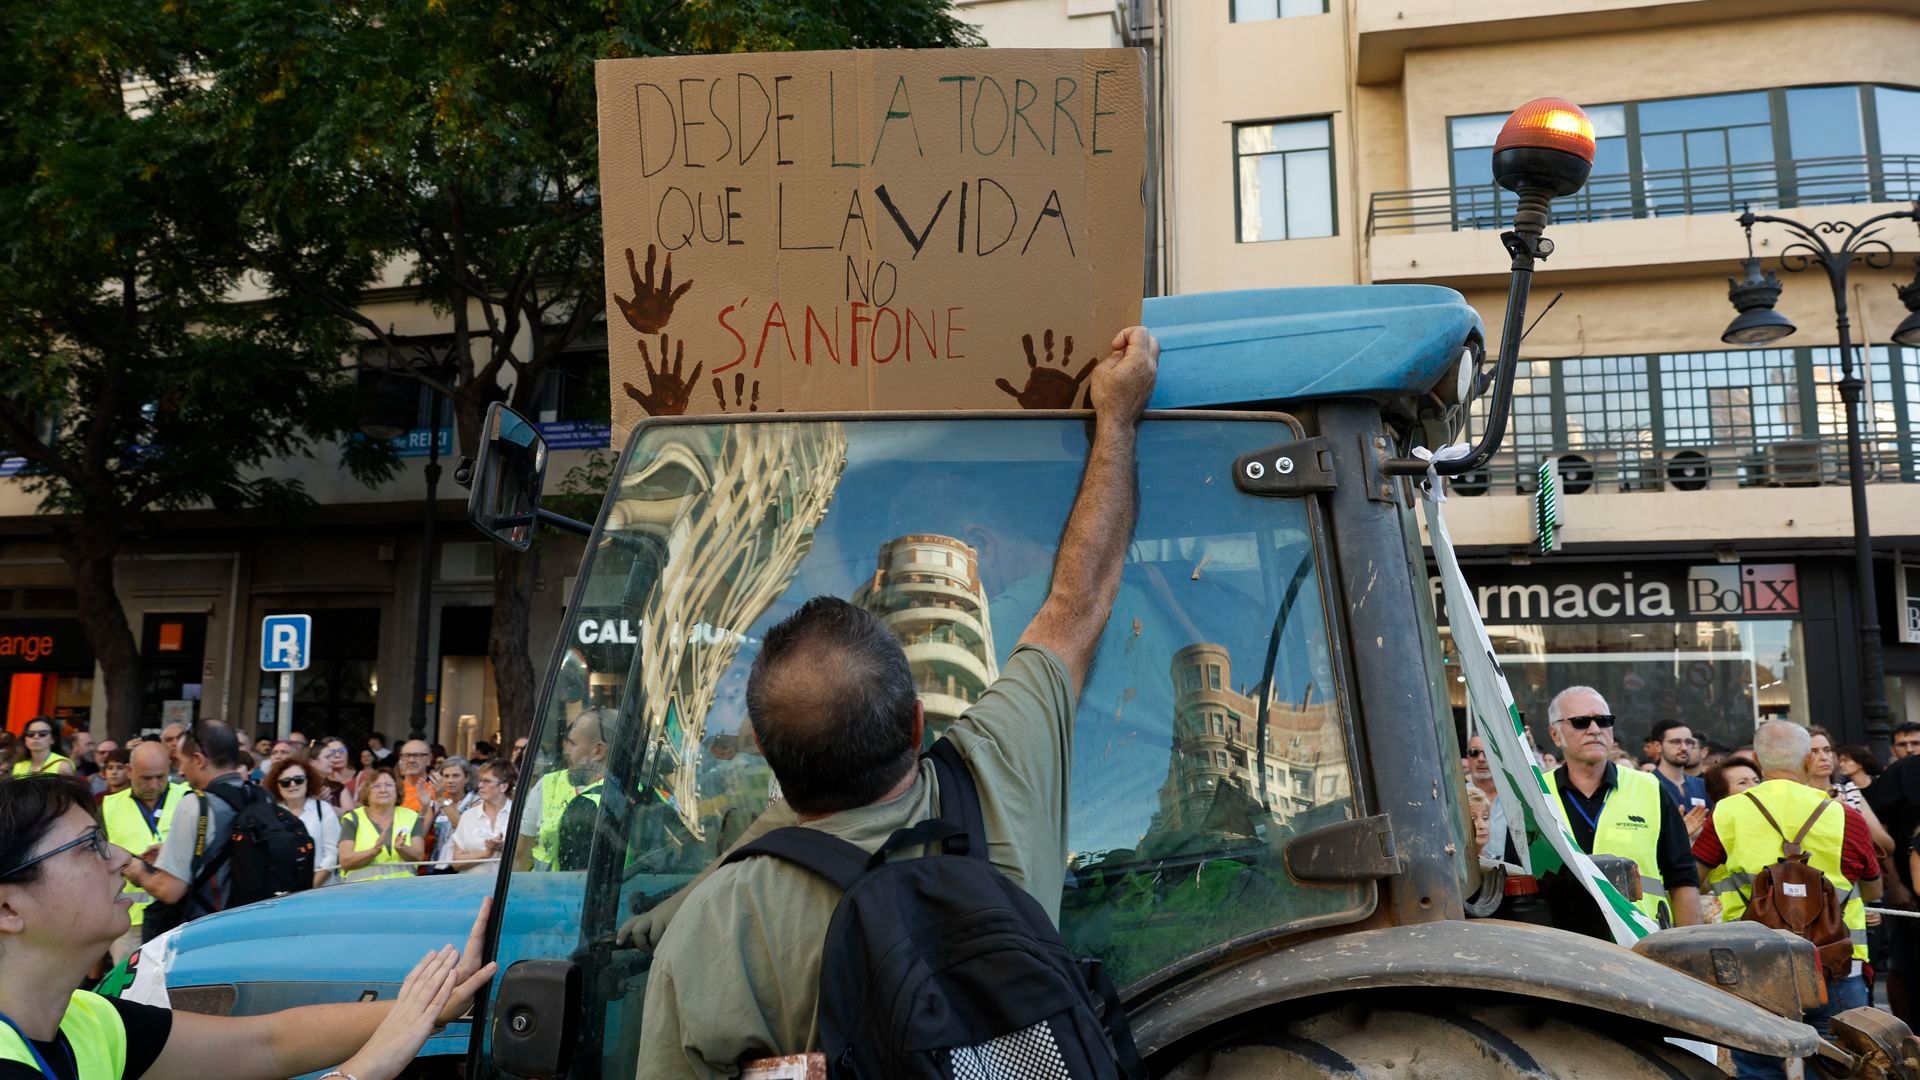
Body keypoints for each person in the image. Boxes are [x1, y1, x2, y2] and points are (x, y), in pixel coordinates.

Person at [632, 325, 1157, 1076]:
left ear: (770, 758)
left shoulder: (719, 923)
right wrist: (1117, 419)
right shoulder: (1000, 769)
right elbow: (1079, 604)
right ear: (916, 723)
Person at [0, 773, 499, 1080]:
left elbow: (267, 1042)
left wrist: (428, 1008)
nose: (121, 857)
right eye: (89, 845)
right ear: (7, 909)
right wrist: (369, 1065)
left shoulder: (86, 1018)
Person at [1694, 720, 1880, 1080]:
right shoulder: (1846, 816)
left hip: (1753, 966)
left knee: (1759, 1069)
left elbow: (1693, 878)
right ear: (1809, 759)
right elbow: (1873, 889)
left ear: (1757, 760)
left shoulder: (1728, 812)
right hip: (1836, 966)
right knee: (1841, 1069)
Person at [1543, 686, 1702, 927]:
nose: (1595, 730)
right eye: (1581, 722)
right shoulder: (1536, 793)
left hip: (1641, 936)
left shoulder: (1651, 788)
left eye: (1603, 721)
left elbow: (1682, 877)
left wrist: (1690, 943)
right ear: (1555, 734)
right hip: (1562, 940)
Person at [120, 723, 256, 935]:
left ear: (199, 760)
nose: (181, 772)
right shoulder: (259, 796)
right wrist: (172, 850)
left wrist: (136, 870)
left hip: (206, 930)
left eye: (182, 761)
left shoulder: (195, 804)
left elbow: (168, 890)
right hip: (252, 924)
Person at [98, 743, 191, 963]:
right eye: (146, 778)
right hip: (130, 918)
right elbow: (96, 857)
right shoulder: (109, 806)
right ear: (130, 771)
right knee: (131, 980)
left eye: (161, 777)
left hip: (181, 914)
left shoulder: (188, 797)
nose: (154, 784)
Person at [515, 711, 612, 873]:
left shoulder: (622, 795)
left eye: (573, 744)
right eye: (566, 743)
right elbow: (520, 854)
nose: (566, 751)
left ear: (598, 751)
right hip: (542, 887)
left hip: (595, 889)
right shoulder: (547, 784)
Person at [337, 769, 424, 883]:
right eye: (376, 786)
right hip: (362, 889)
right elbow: (345, 861)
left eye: (388, 785)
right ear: (367, 791)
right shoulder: (352, 818)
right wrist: (372, 852)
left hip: (404, 888)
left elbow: (418, 856)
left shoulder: (411, 816)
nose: (383, 790)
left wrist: (402, 848)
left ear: (397, 790)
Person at [267, 757, 340, 888]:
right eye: (285, 782)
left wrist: (309, 887)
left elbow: (332, 855)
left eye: (298, 779)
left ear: (308, 781)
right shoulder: (271, 814)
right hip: (282, 890)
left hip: (321, 889)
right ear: (277, 786)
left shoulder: (323, 809)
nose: (293, 785)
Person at [1648, 720, 1709, 841]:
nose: (1684, 748)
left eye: (1689, 742)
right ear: (1658, 746)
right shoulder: (1646, 784)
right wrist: (1677, 833)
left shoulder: (1702, 785)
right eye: (1676, 742)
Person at [451, 760, 514, 874]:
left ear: (503, 787)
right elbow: (456, 863)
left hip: (508, 884)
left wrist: (503, 848)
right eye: (480, 780)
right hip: (473, 883)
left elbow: (527, 859)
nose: (480, 785)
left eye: (487, 781)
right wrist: (486, 853)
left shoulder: (519, 815)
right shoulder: (468, 816)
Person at [1463, 734, 1516, 863]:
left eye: (1488, 753)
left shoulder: (1516, 798)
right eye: (1474, 752)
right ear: (1468, 757)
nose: (1481, 759)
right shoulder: (1458, 797)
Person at [423, 757, 477, 873]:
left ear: (467, 778)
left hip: (463, 865)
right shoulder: (435, 804)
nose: (450, 780)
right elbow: (421, 833)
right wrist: (423, 807)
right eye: (446, 776)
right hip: (437, 865)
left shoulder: (475, 801)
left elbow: (463, 827)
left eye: (455, 776)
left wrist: (442, 799)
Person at [315, 737, 359, 809]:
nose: (338, 755)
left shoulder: (364, 776)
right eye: (332, 752)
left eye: (342, 750)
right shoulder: (320, 781)